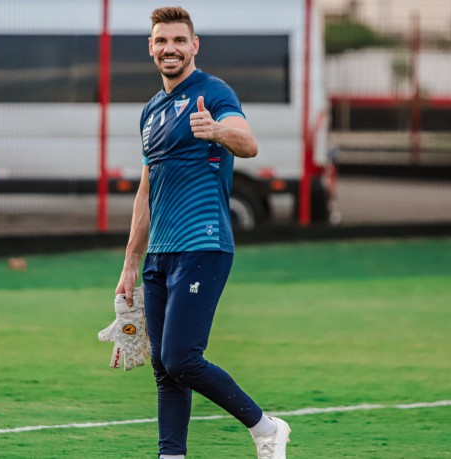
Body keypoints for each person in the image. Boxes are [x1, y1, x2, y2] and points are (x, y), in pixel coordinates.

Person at [114, 6, 291, 459]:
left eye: (178, 40)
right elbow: (146, 190)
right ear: (151, 48)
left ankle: (266, 427)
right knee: (163, 368)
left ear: (194, 46)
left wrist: (215, 131)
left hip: (204, 242)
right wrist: (131, 262)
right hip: (159, 253)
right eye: (161, 41)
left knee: (180, 358)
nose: (169, 48)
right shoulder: (151, 111)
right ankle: (170, 455)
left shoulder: (212, 92)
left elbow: (248, 144)